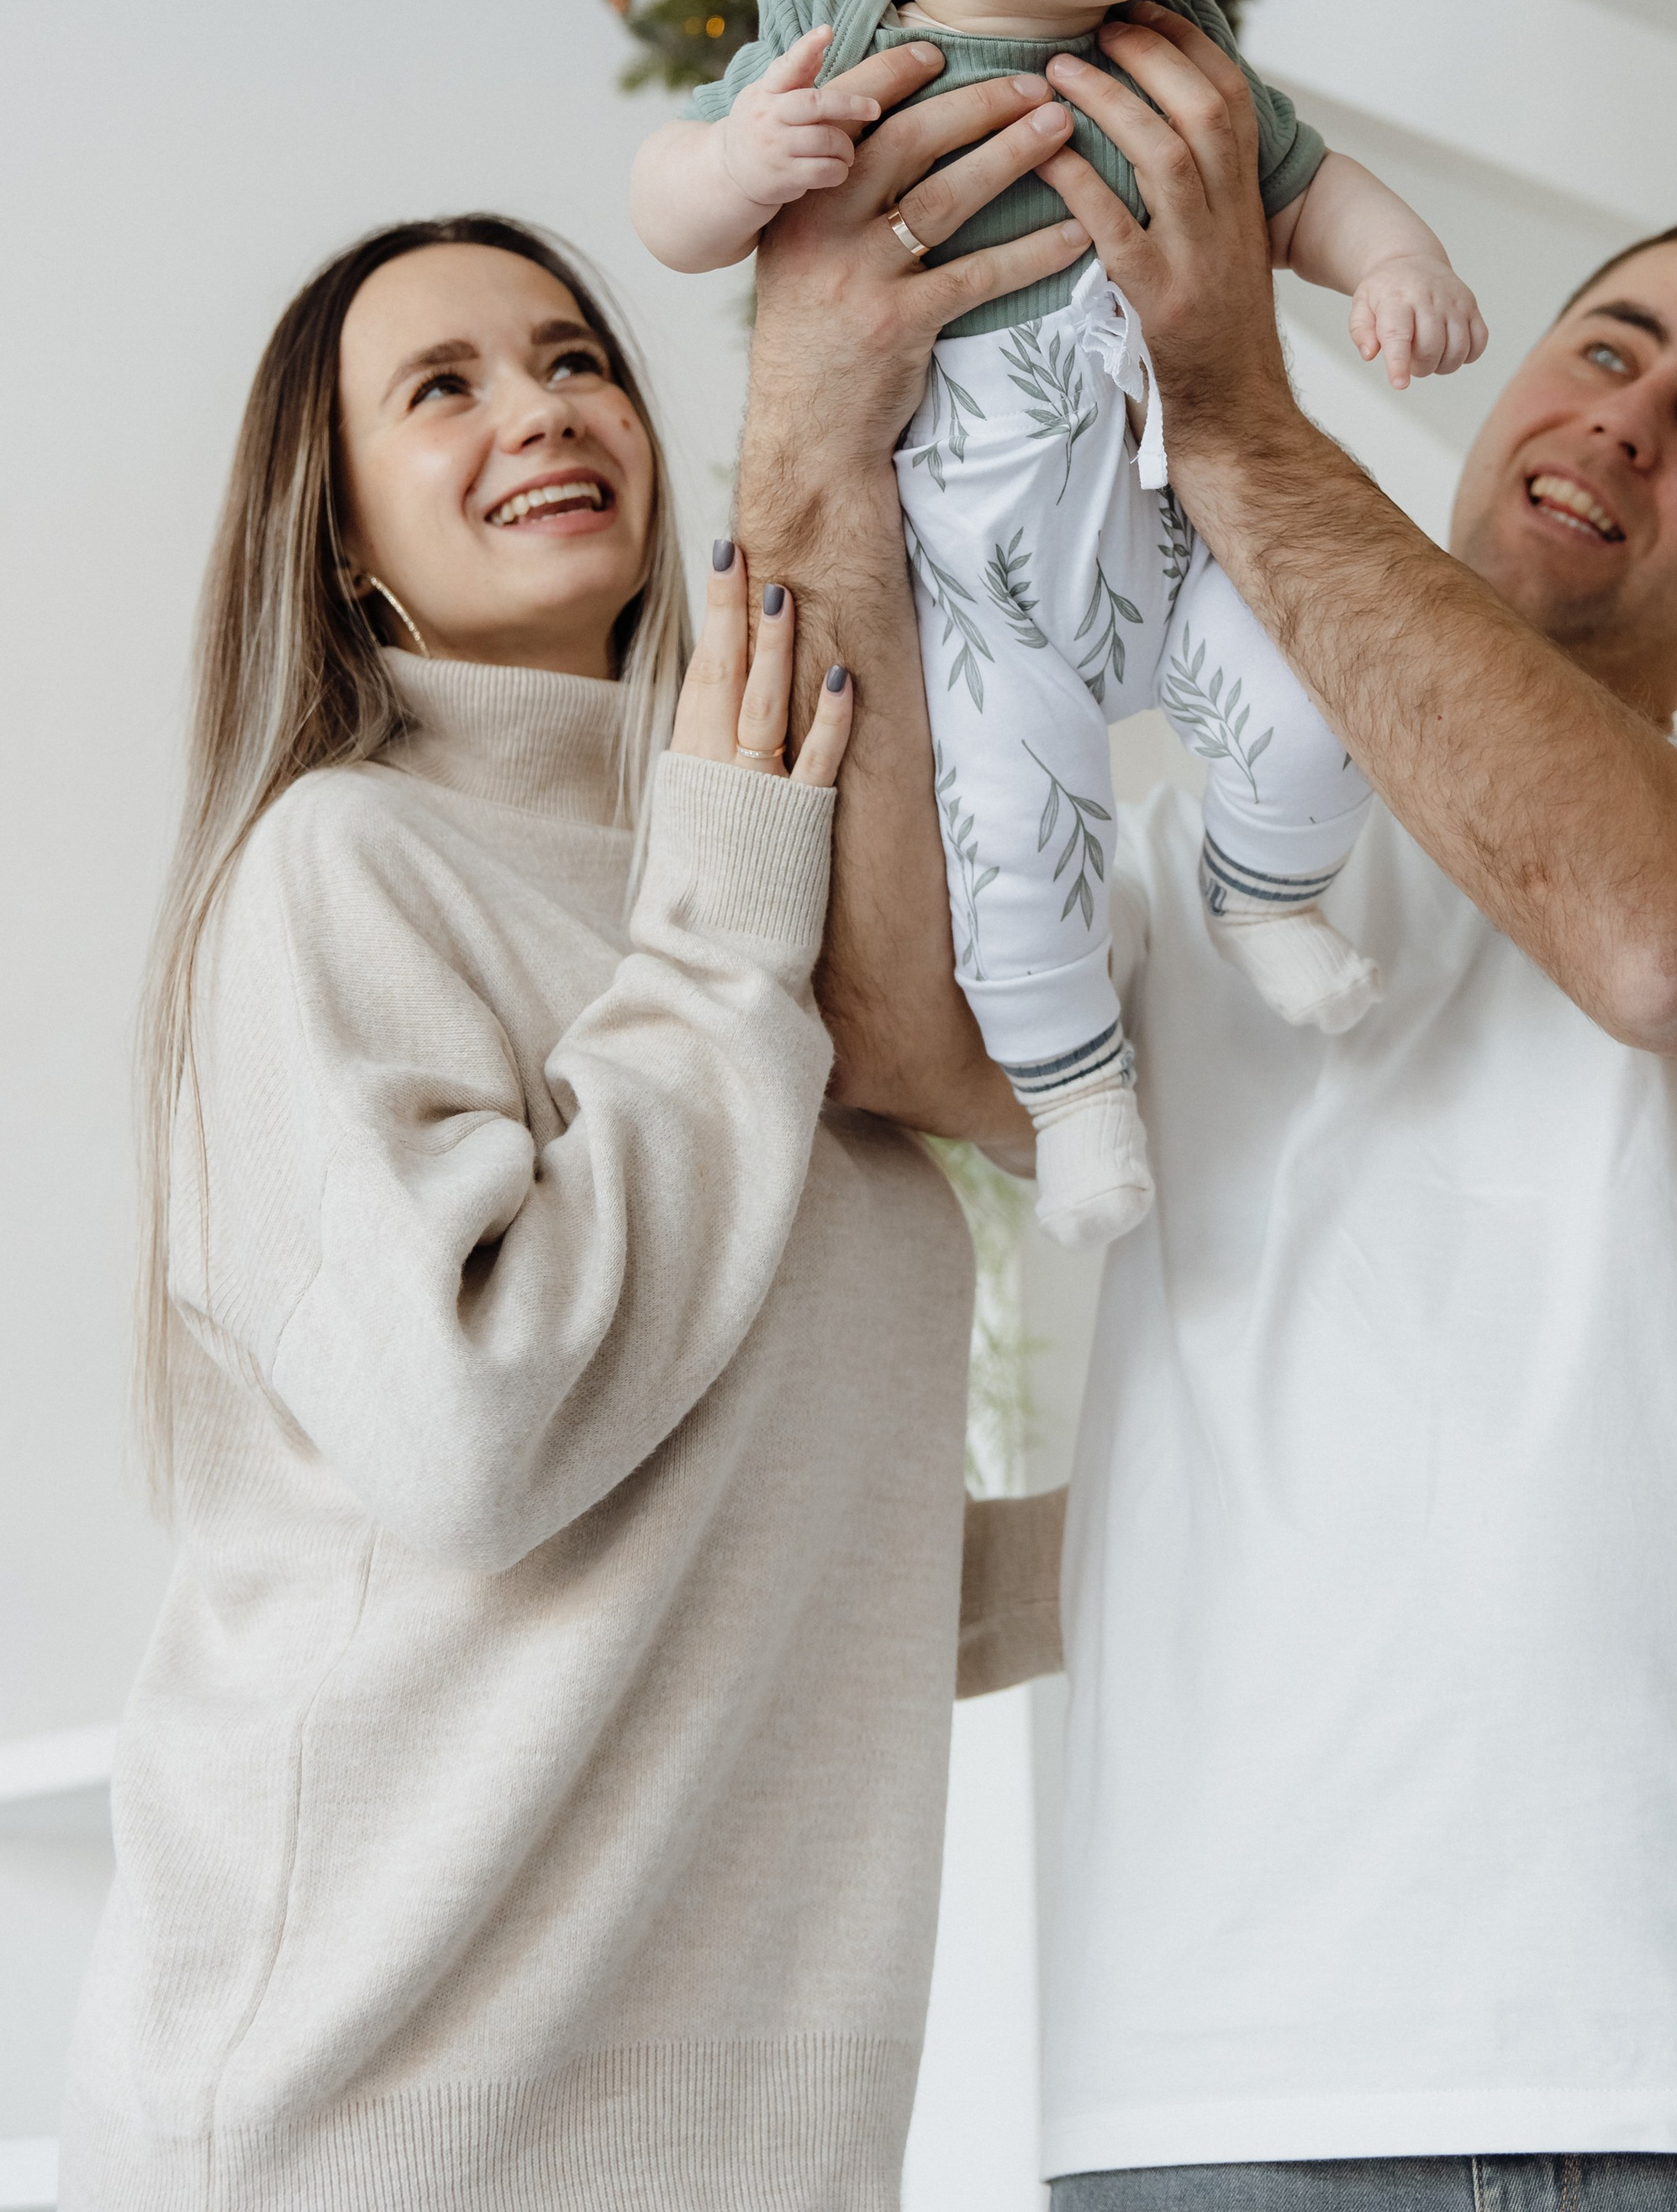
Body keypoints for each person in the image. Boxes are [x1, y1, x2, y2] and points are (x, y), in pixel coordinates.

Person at [728, 8, 1677, 2209]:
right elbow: (876, 1023)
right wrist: (809, 418)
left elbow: (1659, 946)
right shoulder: (1169, 877)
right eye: (1605, 348)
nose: (1623, 424)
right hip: (1230, 2090)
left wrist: (1232, 420)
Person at [66, 200, 1064, 2212]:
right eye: (440, 388)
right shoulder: (344, 869)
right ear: (337, 529)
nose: (540, 409)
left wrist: (1207, 1522)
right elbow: (477, 1433)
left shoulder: (786, 903)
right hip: (363, 2123)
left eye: (575, 357)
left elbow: (785, 1533)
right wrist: (721, 924)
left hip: (754, 2150)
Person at [631, 0, 1484, 1249]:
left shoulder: (1180, 51)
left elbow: (1308, 190)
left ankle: (1263, 888)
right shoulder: (844, 46)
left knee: (1319, 714)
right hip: (983, 588)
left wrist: (1397, 262)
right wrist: (745, 159)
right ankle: (1083, 1099)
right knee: (1017, 850)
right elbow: (664, 203)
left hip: (1186, 533)